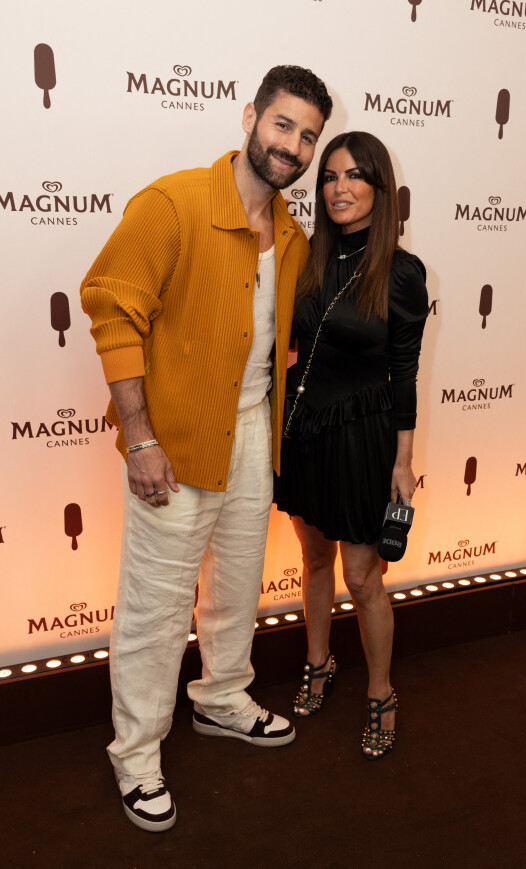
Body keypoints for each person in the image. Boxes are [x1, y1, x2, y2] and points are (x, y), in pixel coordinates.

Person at [80, 65, 332, 832]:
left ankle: (221, 696)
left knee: (237, 584)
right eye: (283, 125)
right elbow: (111, 311)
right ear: (251, 114)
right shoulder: (175, 202)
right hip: (175, 434)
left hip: (253, 428)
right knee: (157, 609)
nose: (292, 147)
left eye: (309, 137)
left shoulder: (291, 235)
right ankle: (137, 753)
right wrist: (141, 436)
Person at [275, 131, 428, 760]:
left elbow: (405, 373)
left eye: (355, 176)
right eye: (331, 176)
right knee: (313, 561)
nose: (340, 187)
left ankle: (382, 690)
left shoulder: (401, 272)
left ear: (378, 188)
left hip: (363, 438)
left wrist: (404, 462)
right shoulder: (305, 257)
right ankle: (318, 659)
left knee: (363, 578)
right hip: (305, 431)